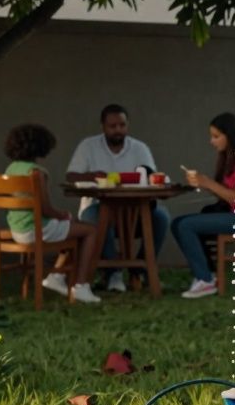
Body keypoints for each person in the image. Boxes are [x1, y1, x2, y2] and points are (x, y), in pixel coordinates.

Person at [65, 104, 169, 292]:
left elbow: (150, 175)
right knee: (94, 218)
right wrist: (92, 176)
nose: (118, 130)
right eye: (112, 126)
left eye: (122, 125)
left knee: (161, 217)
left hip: (135, 211)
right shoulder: (88, 146)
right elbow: (71, 176)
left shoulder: (139, 148)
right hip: (98, 205)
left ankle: (141, 268)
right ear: (103, 127)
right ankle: (113, 272)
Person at [2, 124, 101, 304]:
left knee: (75, 229)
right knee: (90, 230)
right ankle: (80, 286)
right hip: (37, 229)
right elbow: (45, 209)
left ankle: (56, 277)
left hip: (18, 229)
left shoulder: (10, 170)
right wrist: (61, 214)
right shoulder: (36, 172)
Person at [171, 112, 235, 299]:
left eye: (216, 136)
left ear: (229, 136)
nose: (211, 141)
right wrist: (201, 183)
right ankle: (208, 275)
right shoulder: (229, 158)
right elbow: (226, 193)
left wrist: (208, 183)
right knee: (178, 223)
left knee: (185, 225)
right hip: (234, 214)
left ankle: (205, 280)